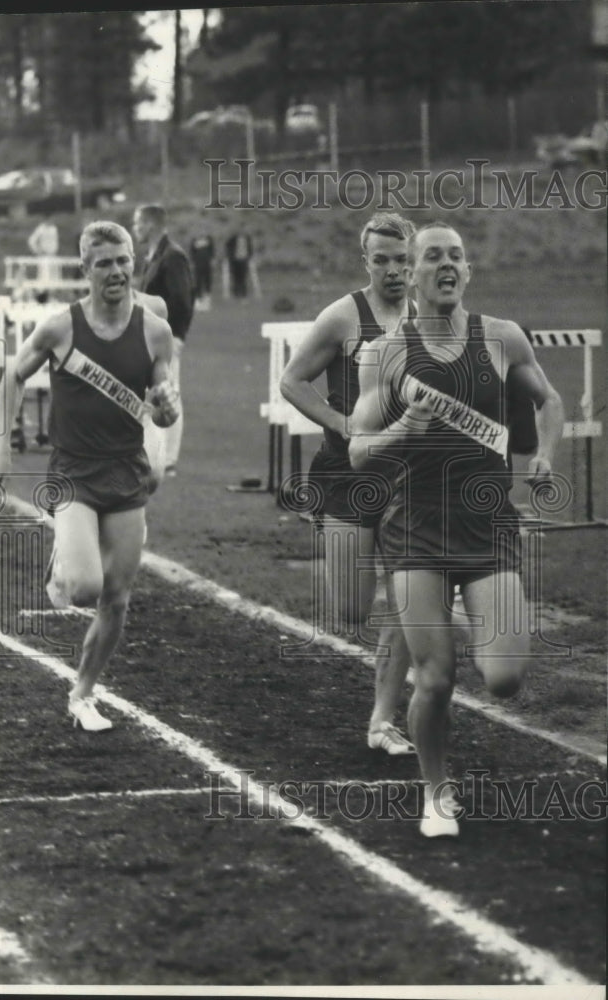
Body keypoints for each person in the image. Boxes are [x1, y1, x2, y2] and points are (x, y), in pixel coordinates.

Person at [349, 221, 564, 836]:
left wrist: (545, 454)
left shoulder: (501, 339)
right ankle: (437, 791)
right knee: (438, 677)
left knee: (504, 678)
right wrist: (402, 431)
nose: (447, 264)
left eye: (457, 257)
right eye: (433, 256)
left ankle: (443, 664)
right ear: (411, 274)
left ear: (467, 273)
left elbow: (548, 402)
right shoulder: (386, 353)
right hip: (415, 532)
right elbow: (360, 450)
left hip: (489, 529)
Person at [0, 220, 180, 732]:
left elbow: (162, 410)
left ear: (133, 263)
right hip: (73, 473)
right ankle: (62, 565)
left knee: (117, 599)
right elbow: (13, 375)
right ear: (85, 269)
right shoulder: (60, 327)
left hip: (127, 472)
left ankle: (83, 693)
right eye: (104, 263)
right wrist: (2, 450)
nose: (116, 272)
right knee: (87, 587)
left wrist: (166, 409)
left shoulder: (155, 332)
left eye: (123, 261)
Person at [280, 212, 418, 756]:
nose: (392, 271)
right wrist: (340, 423)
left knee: (412, 597)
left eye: (401, 260)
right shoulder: (343, 317)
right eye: (381, 260)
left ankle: (383, 720)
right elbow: (292, 381)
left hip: (410, 479)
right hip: (347, 475)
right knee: (354, 611)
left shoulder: (431, 318)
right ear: (366, 262)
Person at [132, 203, 194, 477]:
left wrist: (178, 335)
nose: (135, 229)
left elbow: (182, 299)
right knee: (156, 394)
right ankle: (156, 453)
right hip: (151, 338)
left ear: (149, 224)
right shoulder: (153, 256)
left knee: (169, 393)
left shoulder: (173, 257)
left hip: (167, 338)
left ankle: (169, 459)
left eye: (137, 223)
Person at [224, 224, 253, 299]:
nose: (241, 231)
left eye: (242, 229)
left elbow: (250, 247)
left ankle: (243, 292)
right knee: (235, 276)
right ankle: (236, 292)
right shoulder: (233, 238)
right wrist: (230, 255)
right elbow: (227, 246)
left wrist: (249, 256)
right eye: (239, 230)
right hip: (235, 260)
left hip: (244, 259)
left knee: (243, 276)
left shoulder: (247, 238)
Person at [189, 230, 215, 311]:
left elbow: (212, 251)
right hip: (198, 265)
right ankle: (198, 301)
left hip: (207, 264)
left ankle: (207, 301)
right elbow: (192, 252)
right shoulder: (194, 241)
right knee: (198, 282)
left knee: (207, 282)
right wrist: (192, 262)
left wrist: (212, 260)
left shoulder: (209, 240)